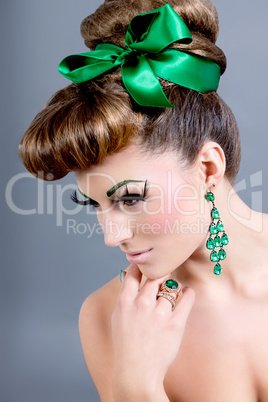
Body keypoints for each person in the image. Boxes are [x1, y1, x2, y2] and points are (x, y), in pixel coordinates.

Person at [19, 0, 268, 400]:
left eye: (131, 198)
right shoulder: (108, 319)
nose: (110, 236)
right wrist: (137, 383)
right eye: (93, 203)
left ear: (207, 168)